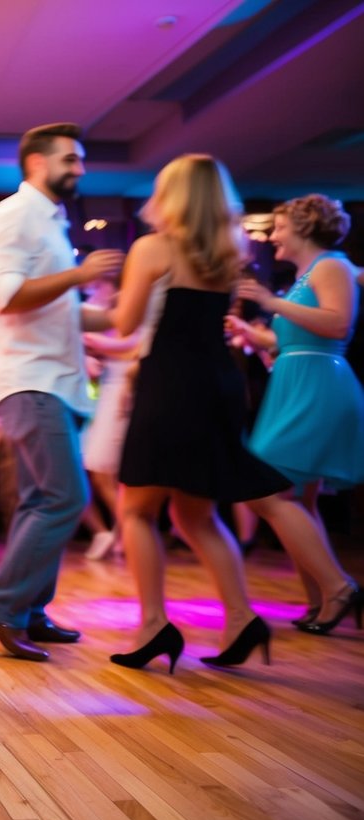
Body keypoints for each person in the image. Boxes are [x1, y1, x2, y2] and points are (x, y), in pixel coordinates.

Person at [109, 154, 290, 673]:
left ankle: (153, 625)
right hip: (219, 384)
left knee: (137, 509)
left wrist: (71, 311)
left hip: (170, 384)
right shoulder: (230, 256)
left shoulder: (153, 248)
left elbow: (125, 324)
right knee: (197, 513)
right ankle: (241, 619)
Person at [0, 122, 124, 661]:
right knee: (66, 496)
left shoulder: (50, 224)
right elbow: (7, 297)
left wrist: (116, 316)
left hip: (51, 380)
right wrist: (81, 278)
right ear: (37, 161)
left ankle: (31, 610)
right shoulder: (13, 216)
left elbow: (58, 307)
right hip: (27, 379)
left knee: (42, 498)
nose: (80, 170)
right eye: (71, 160)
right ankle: (2, 606)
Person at [225, 194, 364, 635]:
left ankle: (338, 588)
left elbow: (337, 325)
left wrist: (271, 301)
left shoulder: (332, 265)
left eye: (280, 227)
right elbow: (293, 340)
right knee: (298, 498)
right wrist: (253, 334)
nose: (273, 236)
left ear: (303, 228)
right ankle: (322, 601)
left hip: (320, 386)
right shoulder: (306, 275)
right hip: (297, 383)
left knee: (264, 491)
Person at [78, 275, 138, 561]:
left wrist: (87, 339)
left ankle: (127, 530)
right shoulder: (105, 315)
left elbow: (133, 347)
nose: (96, 288)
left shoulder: (131, 317)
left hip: (119, 396)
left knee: (106, 470)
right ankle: (119, 530)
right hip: (101, 397)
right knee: (94, 469)